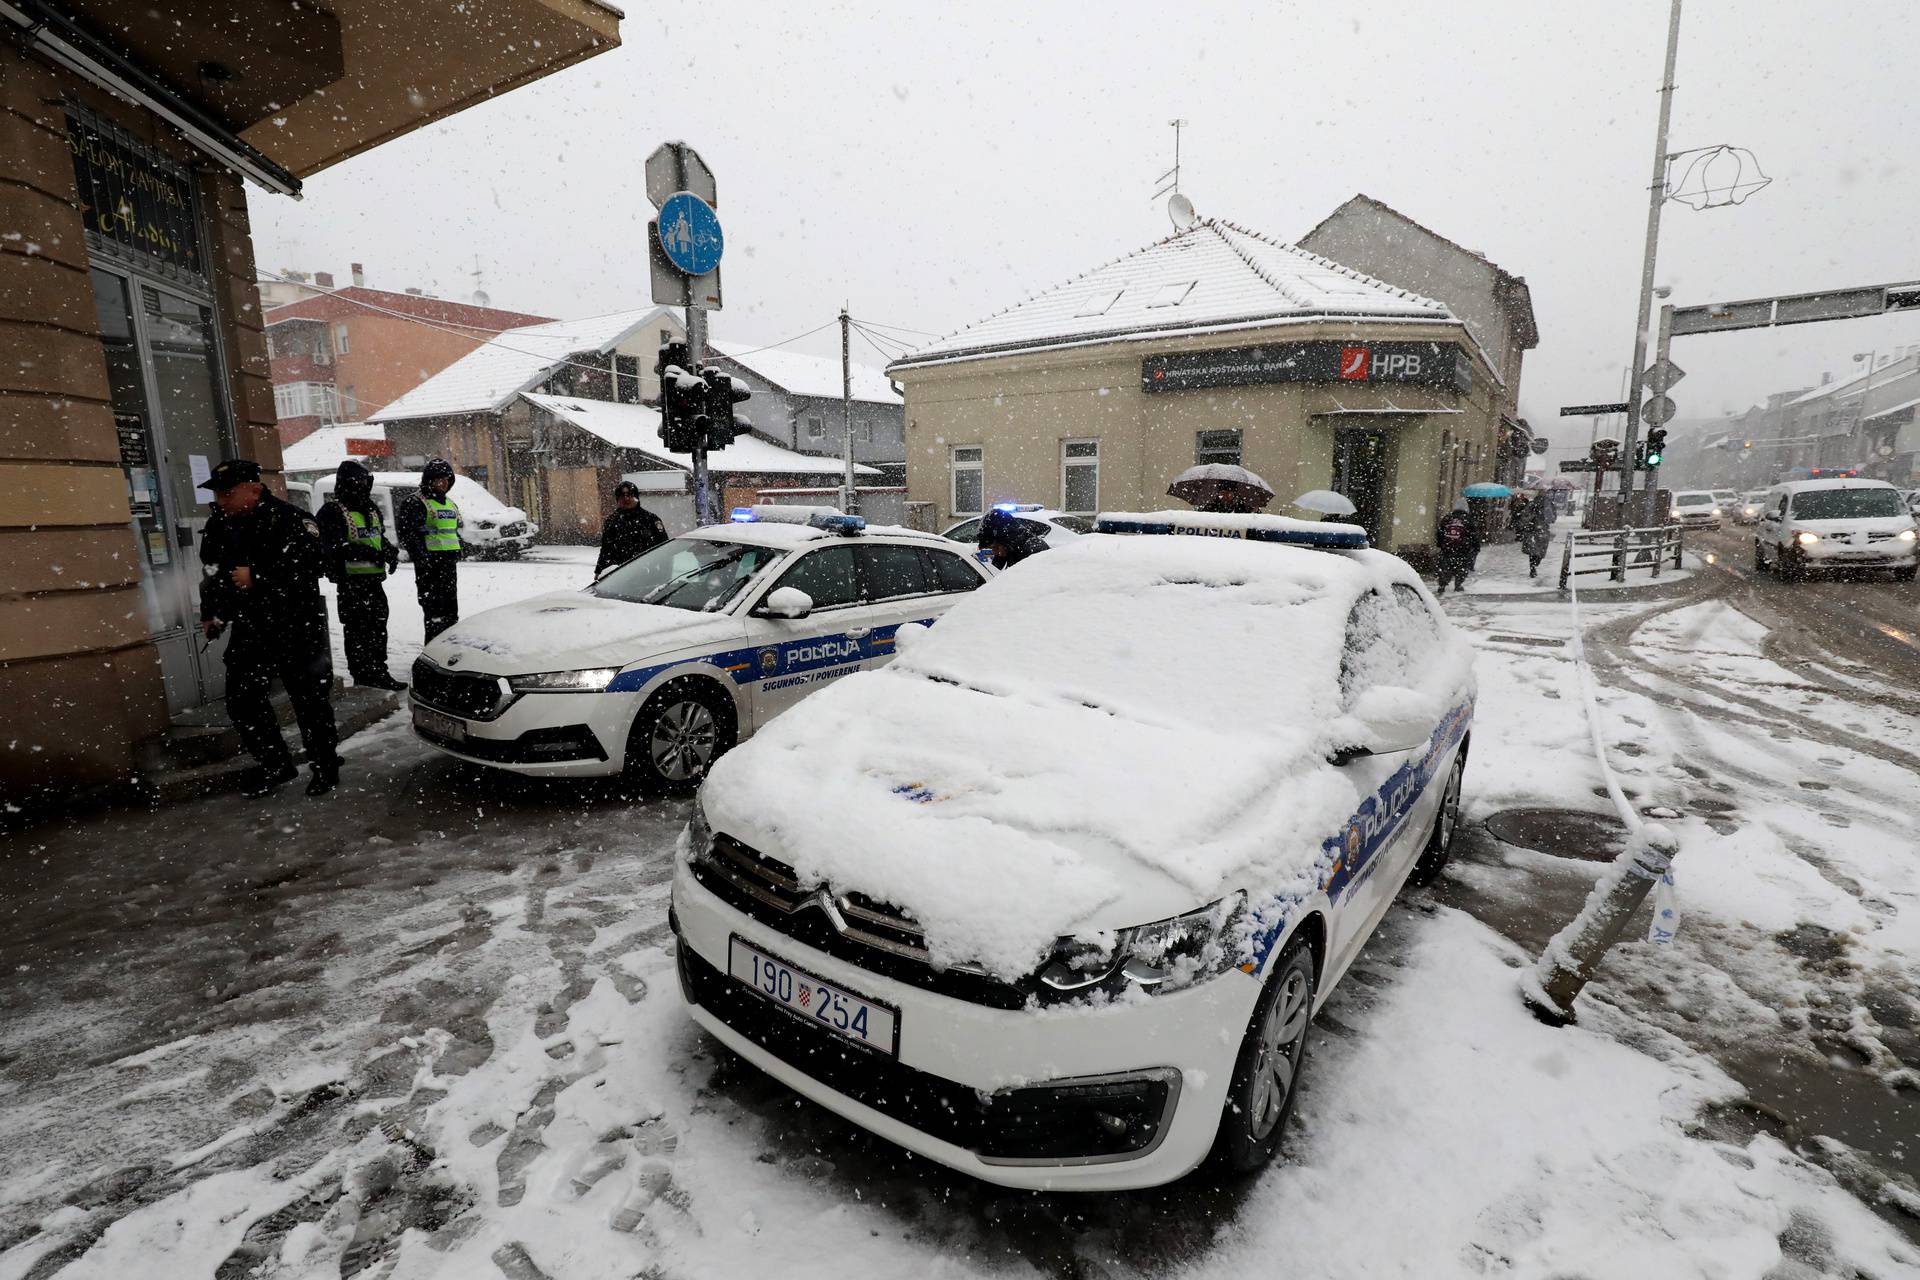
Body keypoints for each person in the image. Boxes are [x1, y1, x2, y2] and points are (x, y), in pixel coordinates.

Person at [198, 458, 342, 798]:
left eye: (227, 493)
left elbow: (315, 563)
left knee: (309, 700)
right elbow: (213, 571)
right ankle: (275, 764)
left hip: (295, 623)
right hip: (251, 626)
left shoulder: (291, 519)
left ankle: (325, 767)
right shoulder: (221, 522)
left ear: (255, 489)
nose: (221, 501)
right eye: (218, 494)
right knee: (242, 700)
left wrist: (258, 576)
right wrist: (212, 612)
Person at [316, 460, 404, 689]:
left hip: (374, 582)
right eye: (358, 481)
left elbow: (377, 536)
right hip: (351, 585)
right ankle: (363, 677)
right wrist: (365, 553)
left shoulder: (371, 508)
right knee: (357, 633)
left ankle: (379, 672)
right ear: (347, 483)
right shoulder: (333, 511)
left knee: (377, 630)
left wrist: (388, 551)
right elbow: (331, 547)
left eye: (365, 481)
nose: (363, 485)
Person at [397, 458, 462, 643]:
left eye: (447, 479)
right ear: (429, 480)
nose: (444, 483)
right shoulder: (416, 502)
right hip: (430, 568)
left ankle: (448, 652)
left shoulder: (449, 503)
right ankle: (433, 655)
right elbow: (408, 533)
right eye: (439, 479)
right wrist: (422, 557)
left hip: (448, 565)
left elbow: (451, 530)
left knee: (451, 615)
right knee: (435, 615)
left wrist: (458, 549)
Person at [596, 480, 668, 575]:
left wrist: (665, 574)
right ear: (617, 499)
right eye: (622, 496)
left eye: (629, 495)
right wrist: (599, 571)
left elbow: (665, 549)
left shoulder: (651, 519)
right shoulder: (611, 522)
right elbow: (606, 549)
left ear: (636, 497)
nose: (626, 499)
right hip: (619, 576)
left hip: (648, 574)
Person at [977, 507, 1051, 570]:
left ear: (1004, 538)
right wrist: (999, 560)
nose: (994, 552)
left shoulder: (1034, 549)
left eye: (994, 547)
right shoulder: (1010, 548)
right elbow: (993, 576)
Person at [1434, 503, 1480, 594]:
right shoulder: (1468, 520)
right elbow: (1474, 535)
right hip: (1463, 549)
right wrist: (1475, 546)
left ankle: (1442, 585)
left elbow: (1439, 532)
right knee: (1462, 567)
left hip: (1447, 548)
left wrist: (1440, 544)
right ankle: (1458, 585)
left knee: (1445, 566)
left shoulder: (1447, 518)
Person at [1513, 493, 1554, 579]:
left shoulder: (1549, 505)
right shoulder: (1532, 505)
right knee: (1533, 551)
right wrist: (1532, 516)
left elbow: (1552, 518)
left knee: (1539, 552)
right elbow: (1524, 517)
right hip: (1532, 531)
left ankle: (1534, 565)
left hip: (1542, 531)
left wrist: (1546, 517)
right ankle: (1533, 569)